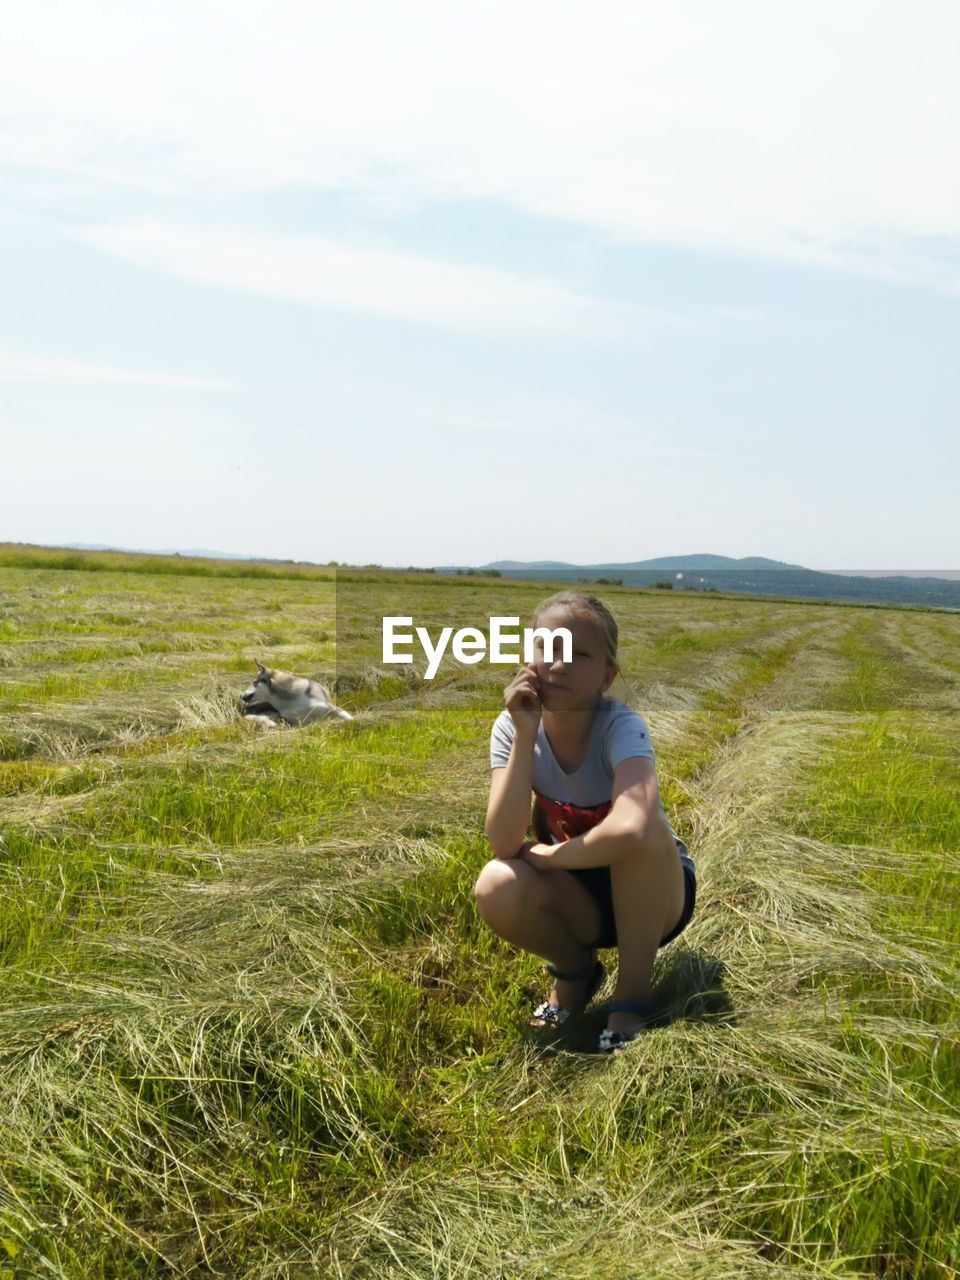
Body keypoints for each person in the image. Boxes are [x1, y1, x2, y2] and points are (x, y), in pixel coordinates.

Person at [474, 592, 696, 1052]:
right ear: (525, 657)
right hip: (581, 897)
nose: (557, 666)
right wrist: (526, 733)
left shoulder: (620, 727)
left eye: (578, 655)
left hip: (654, 895)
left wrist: (552, 856)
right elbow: (502, 840)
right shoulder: (511, 727)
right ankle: (576, 973)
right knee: (495, 883)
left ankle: (633, 995)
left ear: (607, 676)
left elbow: (633, 827)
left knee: (644, 823)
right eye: (547, 648)